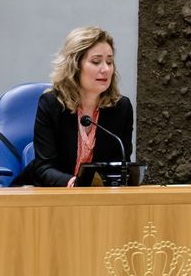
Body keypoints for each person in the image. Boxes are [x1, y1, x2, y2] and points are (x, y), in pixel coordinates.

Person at [17, 26, 133, 187]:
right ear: (75, 66)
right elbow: (43, 168)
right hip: (47, 195)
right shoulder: (52, 104)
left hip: (96, 201)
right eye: (96, 61)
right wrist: (75, 184)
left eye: (109, 61)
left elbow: (121, 167)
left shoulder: (121, 108)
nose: (106, 69)